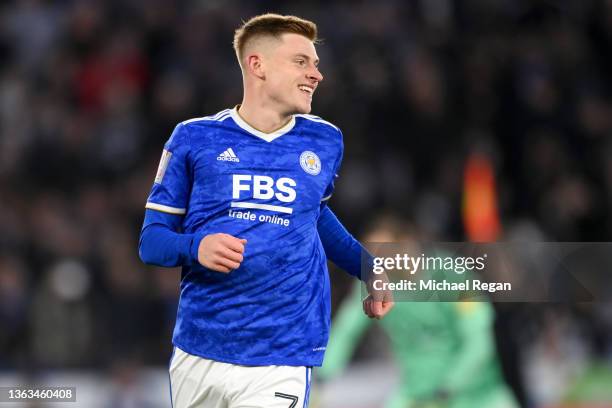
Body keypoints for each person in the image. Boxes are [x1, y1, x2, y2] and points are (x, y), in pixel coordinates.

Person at [138, 13, 393, 408]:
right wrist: (196, 247)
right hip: (201, 347)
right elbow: (151, 242)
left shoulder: (324, 140)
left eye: (316, 64)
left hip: (283, 352)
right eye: (301, 62)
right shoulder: (194, 138)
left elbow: (313, 216)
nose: (316, 75)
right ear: (257, 65)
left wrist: (368, 268)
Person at [318, 215, 519, 408]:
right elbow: (346, 329)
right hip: (416, 394)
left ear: (406, 243)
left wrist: (448, 387)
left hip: (476, 396)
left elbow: (479, 339)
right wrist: (321, 374)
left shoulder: (452, 275)